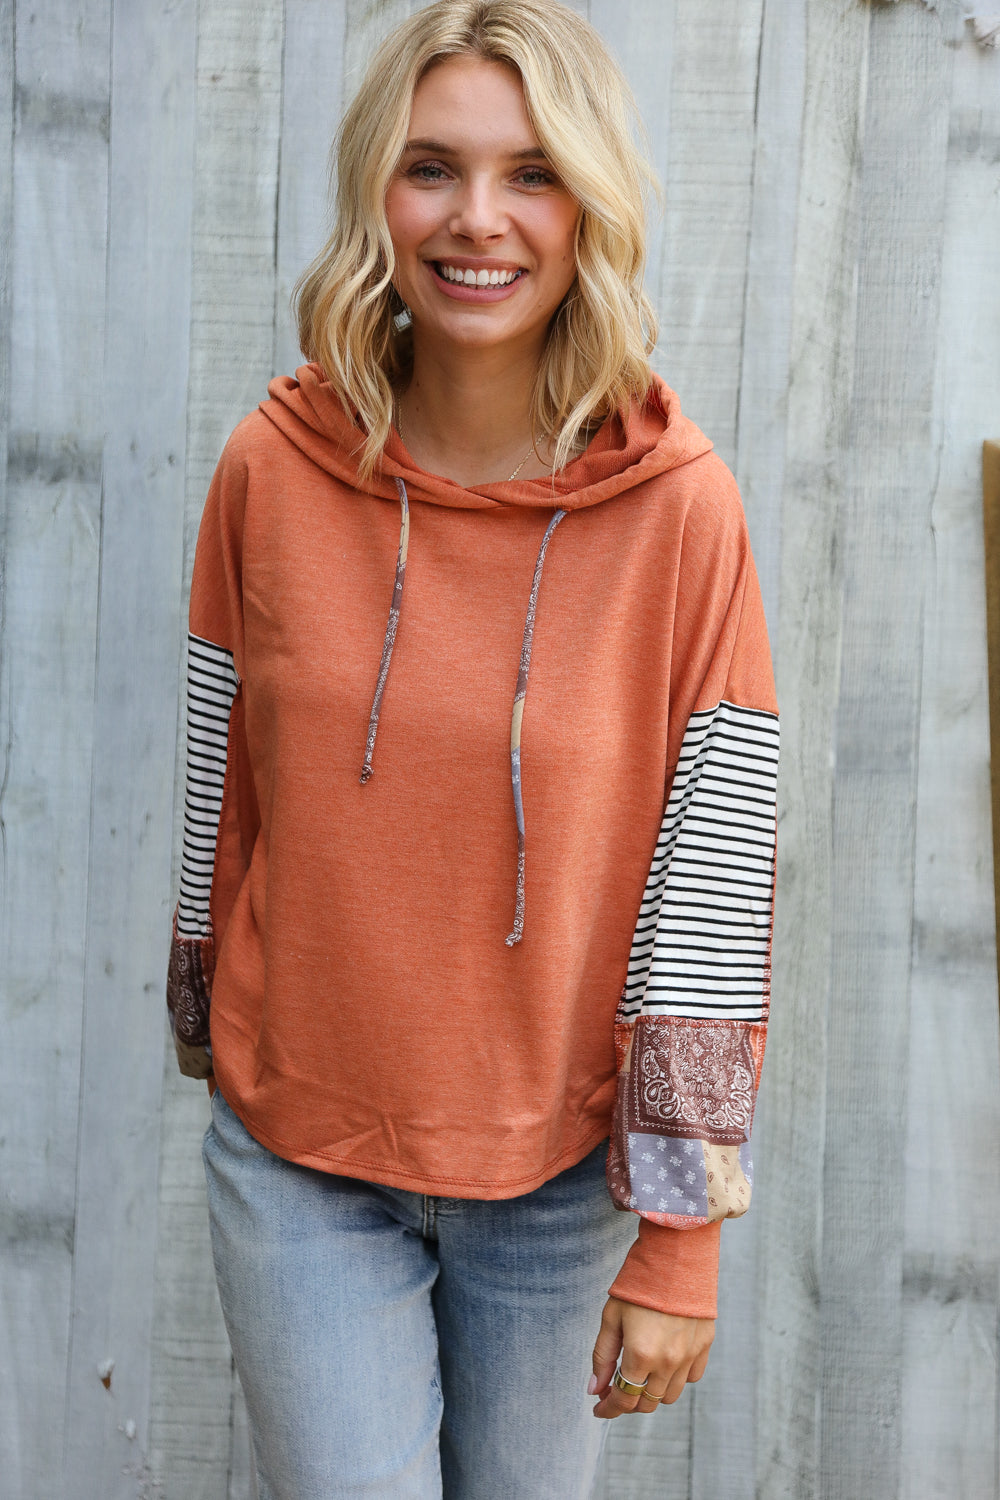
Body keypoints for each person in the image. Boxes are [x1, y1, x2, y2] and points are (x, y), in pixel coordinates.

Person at [165, 1, 779, 1495]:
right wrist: (204, 1014)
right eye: (432, 167)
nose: (479, 220)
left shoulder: (679, 510)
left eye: (532, 173)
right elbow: (220, 779)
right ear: (378, 189)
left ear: (590, 206)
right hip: (304, 1156)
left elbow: (712, 878)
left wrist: (682, 1231)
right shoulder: (271, 468)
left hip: (556, 1183)